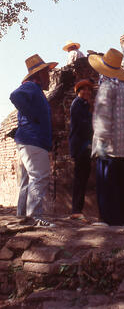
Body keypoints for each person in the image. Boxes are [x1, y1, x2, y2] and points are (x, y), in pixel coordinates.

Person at [88, 48, 124, 229]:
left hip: (110, 144)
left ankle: (110, 220)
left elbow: (103, 117)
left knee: (107, 184)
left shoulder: (107, 87)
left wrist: (101, 143)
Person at [10, 54, 58, 227]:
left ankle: (22, 216)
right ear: (39, 75)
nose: (50, 76)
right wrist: (33, 116)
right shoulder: (31, 86)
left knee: (27, 181)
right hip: (33, 140)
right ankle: (35, 216)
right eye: (47, 73)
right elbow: (15, 96)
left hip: (28, 140)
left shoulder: (36, 90)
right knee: (40, 177)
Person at [69, 79, 94, 222]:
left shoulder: (84, 105)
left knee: (83, 178)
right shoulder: (77, 104)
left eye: (89, 90)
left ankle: (77, 210)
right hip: (80, 146)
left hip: (84, 145)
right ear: (79, 92)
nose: (87, 92)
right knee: (80, 178)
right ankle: (76, 211)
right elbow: (83, 126)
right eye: (83, 90)